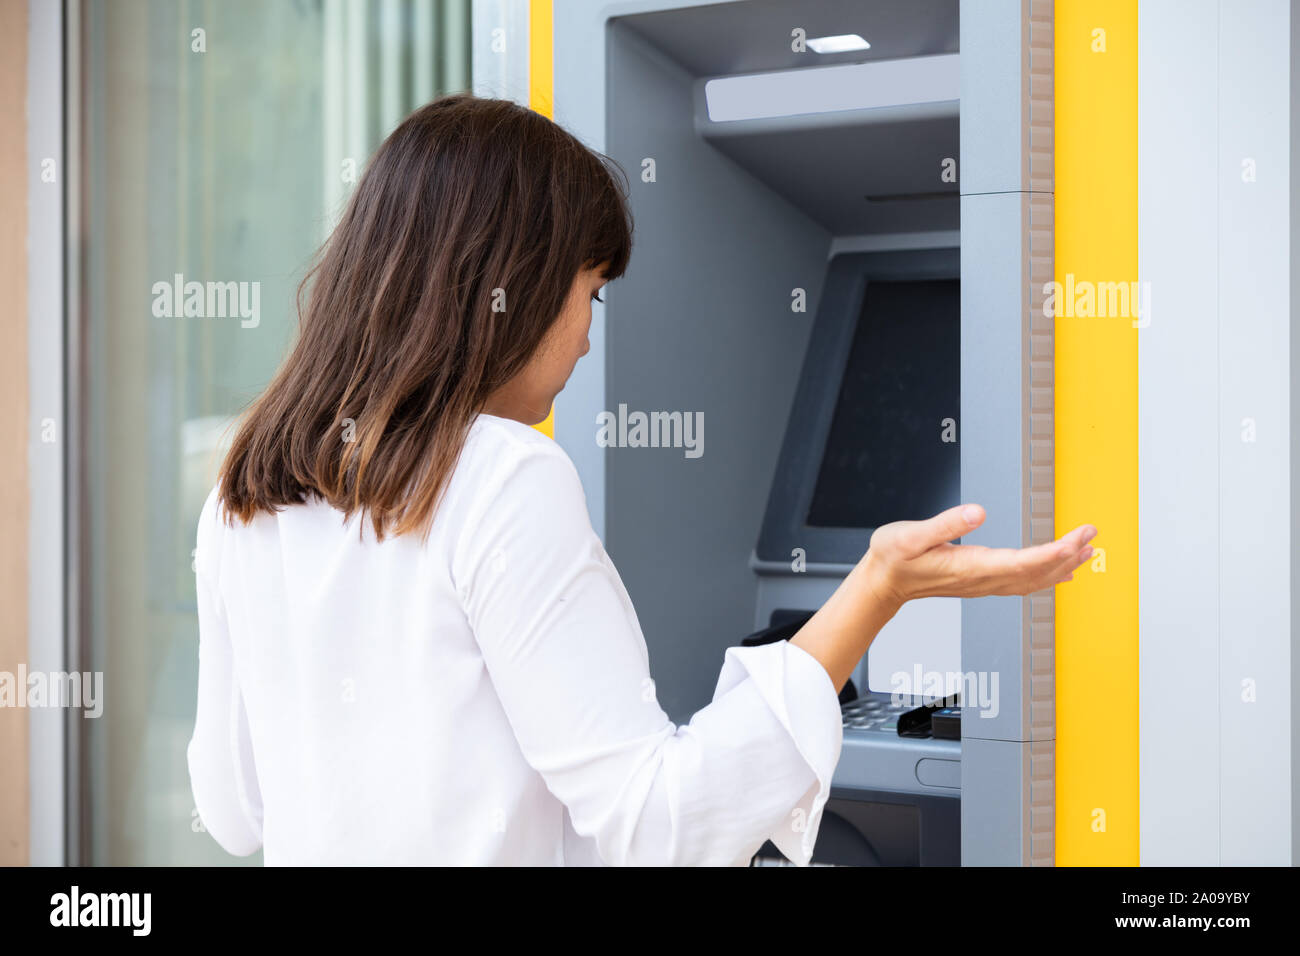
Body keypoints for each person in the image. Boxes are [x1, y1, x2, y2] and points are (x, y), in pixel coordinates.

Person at [187, 94, 1096, 866]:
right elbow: (661, 822)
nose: (588, 334)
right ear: (513, 285)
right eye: (592, 293)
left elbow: (234, 811)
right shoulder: (501, 474)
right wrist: (878, 587)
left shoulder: (247, 494)